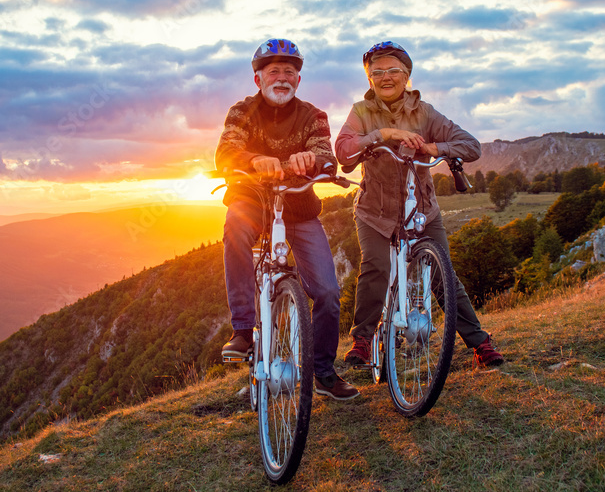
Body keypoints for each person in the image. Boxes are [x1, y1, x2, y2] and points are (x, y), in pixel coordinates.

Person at [334, 40, 505, 369]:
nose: (385, 77)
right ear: (369, 79)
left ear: (407, 75)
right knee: (376, 267)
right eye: (377, 72)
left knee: (444, 276)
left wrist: (433, 146)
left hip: (422, 209)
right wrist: (384, 134)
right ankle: (364, 338)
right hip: (375, 212)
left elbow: (470, 145)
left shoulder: (425, 112)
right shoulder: (362, 112)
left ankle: (479, 342)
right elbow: (343, 150)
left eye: (393, 70)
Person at [216, 38, 359, 400]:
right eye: (274, 71)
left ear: (298, 80)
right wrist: (252, 160)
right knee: (234, 229)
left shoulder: (313, 115)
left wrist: (310, 160)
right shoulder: (241, 111)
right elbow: (227, 152)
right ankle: (244, 330)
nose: (282, 78)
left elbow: (328, 158)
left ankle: (324, 373)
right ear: (258, 79)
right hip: (252, 201)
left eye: (290, 72)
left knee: (327, 292)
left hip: (296, 207)